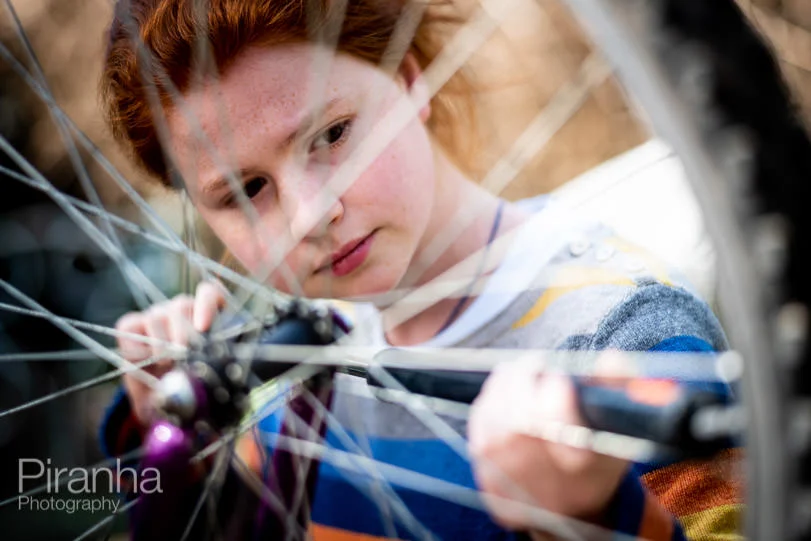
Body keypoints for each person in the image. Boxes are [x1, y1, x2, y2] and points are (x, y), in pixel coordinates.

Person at [98, 0, 741, 539]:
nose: (310, 216)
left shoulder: (622, 331)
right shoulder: (286, 368)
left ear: (410, 81)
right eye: (245, 190)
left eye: (332, 133)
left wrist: (599, 516)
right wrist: (168, 442)